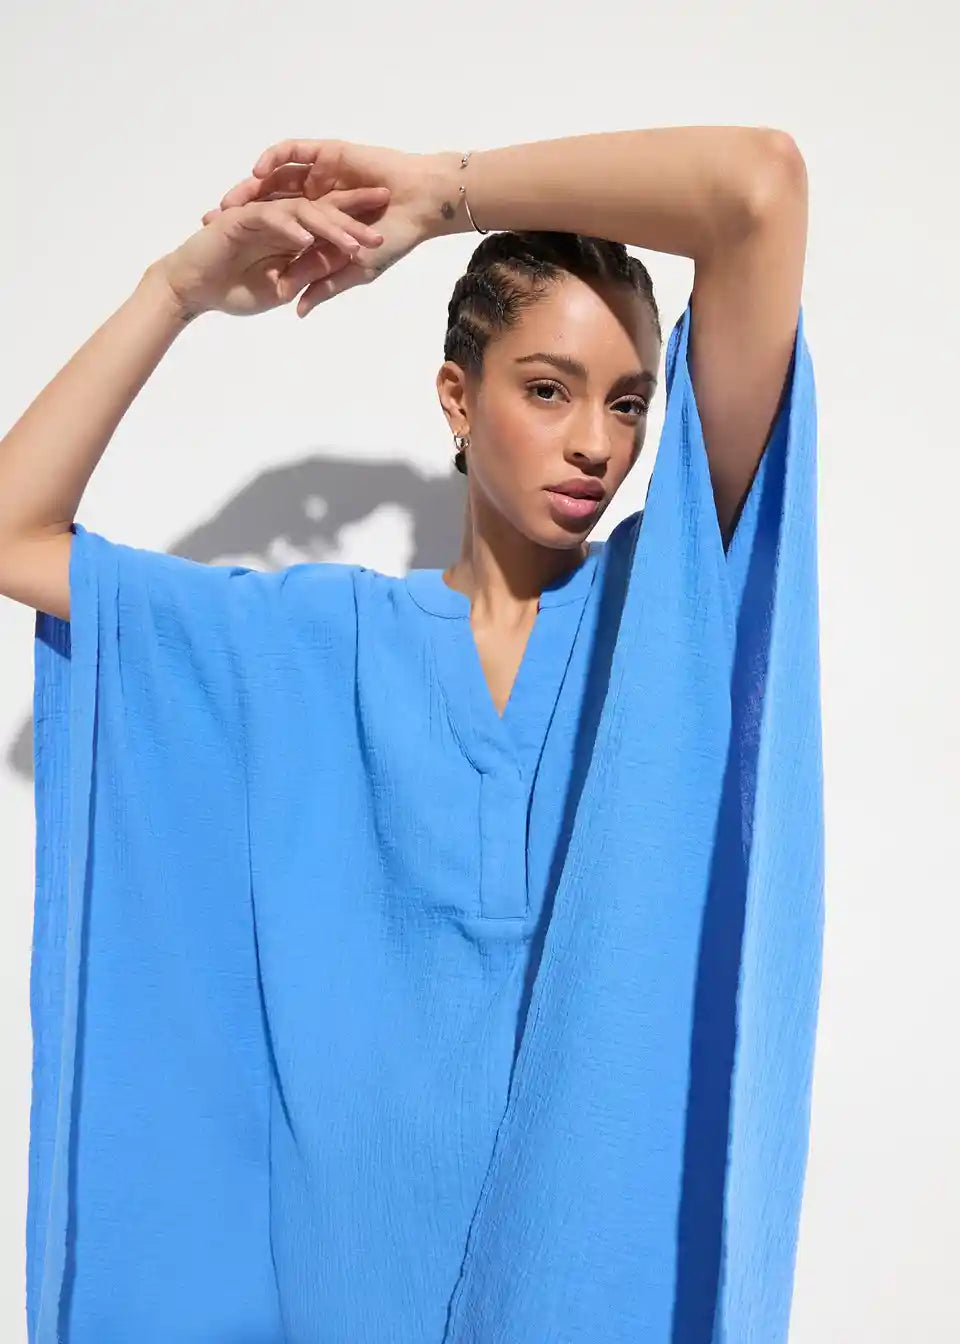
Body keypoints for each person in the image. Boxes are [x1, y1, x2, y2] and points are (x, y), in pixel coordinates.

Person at [1, 128, 819, 1344]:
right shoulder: (312, 641)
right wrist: (175, 290)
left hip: (597, 1293)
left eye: (628, 402)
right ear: (458, 397)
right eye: (548, 388)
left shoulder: (667, 622)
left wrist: (443, 195)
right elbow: (14, 533)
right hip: (340, 1289)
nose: (597, 442)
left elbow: (758, 188)